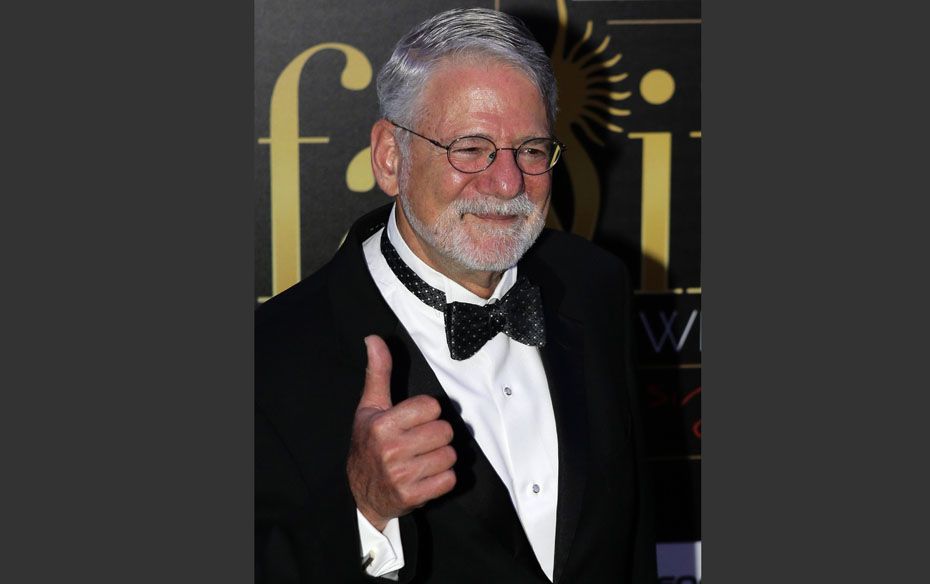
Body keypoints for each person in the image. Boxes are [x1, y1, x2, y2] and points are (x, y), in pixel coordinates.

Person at [255, 8, 656, 583]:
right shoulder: (272, 356)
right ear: (391, 157)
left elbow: (632, 540)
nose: (507, 183)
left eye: (532, 149)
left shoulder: (595, 284)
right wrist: (365, 513)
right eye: (471, 148)